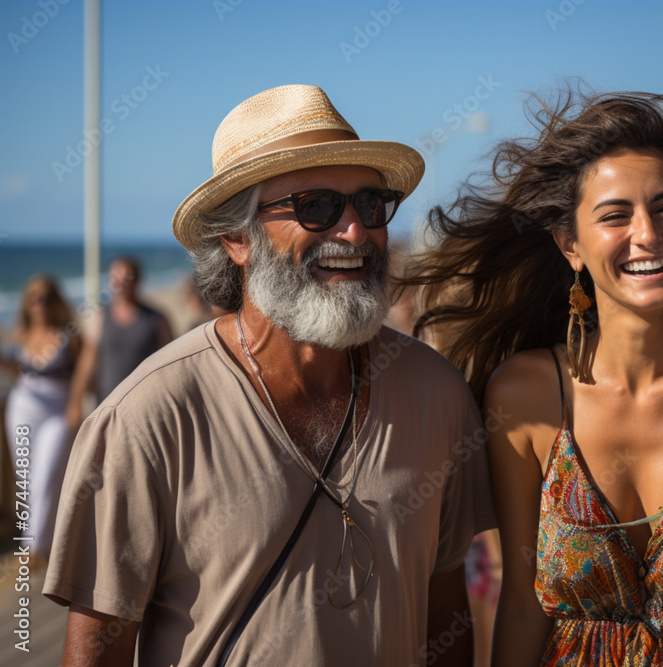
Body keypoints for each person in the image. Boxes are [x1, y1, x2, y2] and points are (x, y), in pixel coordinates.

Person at [43, 84, 494, 666]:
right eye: (316, 206)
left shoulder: (436, 393)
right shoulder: (148, 419)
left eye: (370, 204)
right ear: (236, 237)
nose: (355, 232)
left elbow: (446, 617)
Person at [404, 90, 663, 666]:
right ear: (571, 245)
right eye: (616, 215)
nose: (648, 234)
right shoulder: (524, 394)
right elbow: (522, 605)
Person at [1, 276, 80, 563]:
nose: (40, 303)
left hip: (57, 414)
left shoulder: (68, 336)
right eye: (34, 298)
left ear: (55, 300)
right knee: (26, 478)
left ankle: (39, 548)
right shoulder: (20, 335)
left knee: (46, 475)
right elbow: (18, 371)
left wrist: (76, 407)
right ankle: (32, 545)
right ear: (28, 303)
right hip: (22, 409)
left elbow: (82, 374)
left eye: (46, 297)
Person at [66, 256, 172, 428]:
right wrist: (75, 403)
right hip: (107, 408)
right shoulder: (100, 317)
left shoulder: (156, 319)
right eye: (115, 277)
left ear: (138, 280)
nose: (120, 283)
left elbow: (170, 365)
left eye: (126, 278)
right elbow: (87, 362)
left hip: (146, 410)